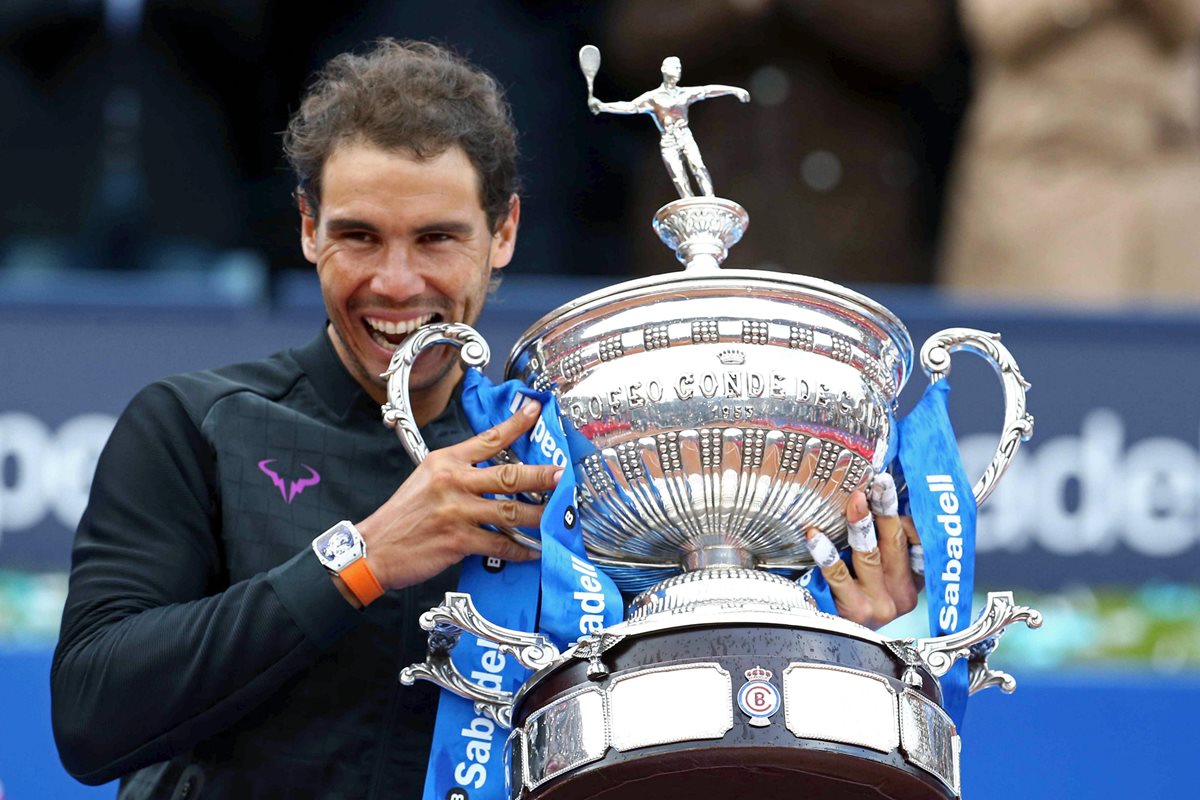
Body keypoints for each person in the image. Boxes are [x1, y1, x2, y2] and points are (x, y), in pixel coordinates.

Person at [51, 39, 919, 799]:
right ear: (307, 228)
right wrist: (362, 561)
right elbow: (92, 718)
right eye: (359, 237)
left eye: (436, 239)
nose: (396, 284)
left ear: (502, 234)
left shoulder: (591, 465)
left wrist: (831, 636)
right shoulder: (197, 424)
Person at [941, 0, 1200, 304]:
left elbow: (1188, 25)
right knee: (1047, 340)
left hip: (1164, 180)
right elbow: (999, 27)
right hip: (1048, 174)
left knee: (1166, 344)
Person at [589, 55, 750, 198]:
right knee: (678, 175)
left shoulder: (684, 94)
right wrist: (603, 106)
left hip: (685, 135)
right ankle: (688, 203)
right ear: (664, 69)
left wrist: (734, 90)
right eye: (675, 67)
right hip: (668, 141)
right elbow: (630, 107)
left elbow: (707, 90)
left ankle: (710, 199)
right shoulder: (653, 98)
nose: (678, 70)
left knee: (698, 166)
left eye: (679, 67)